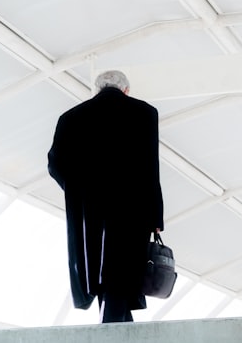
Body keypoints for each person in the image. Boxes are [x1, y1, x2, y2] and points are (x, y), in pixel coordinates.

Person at [47, 70, 164, 323]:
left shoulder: (70, 117)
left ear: (97, 90)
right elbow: (149, 168)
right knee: (125, 268)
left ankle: (118, 324)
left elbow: (55, 164)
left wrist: (78, 192)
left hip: (90, 211)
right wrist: (156, 216)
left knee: (98, 268)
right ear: (126, 90)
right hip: (132, 208)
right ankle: (113, 328)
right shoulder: (144, 113)